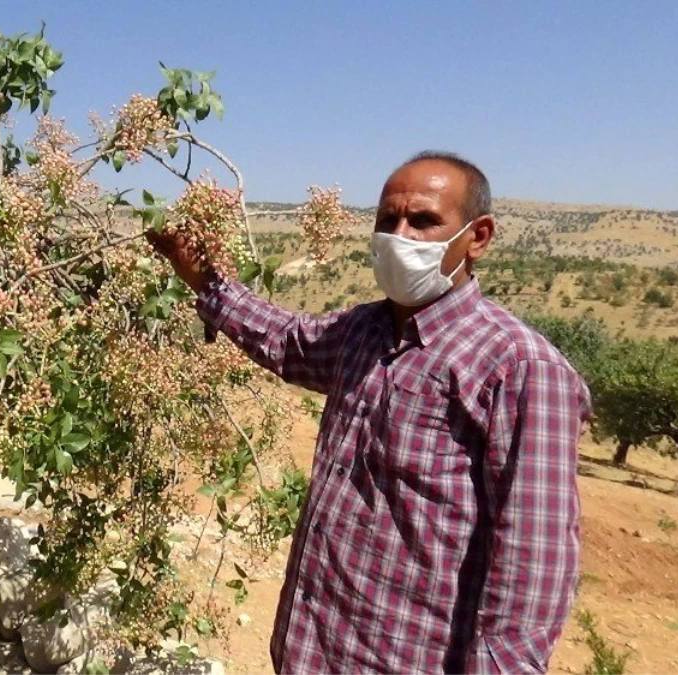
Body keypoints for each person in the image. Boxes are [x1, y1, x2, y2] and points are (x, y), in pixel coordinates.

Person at [148, 151, 591, 674]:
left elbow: (533, 561)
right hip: (311, 652)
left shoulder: (519, 366)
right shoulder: (363, 331)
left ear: (478, 237)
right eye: (388, 221)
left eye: (423, 221)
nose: (399, 236)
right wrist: (204, 279)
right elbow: (285, 342)